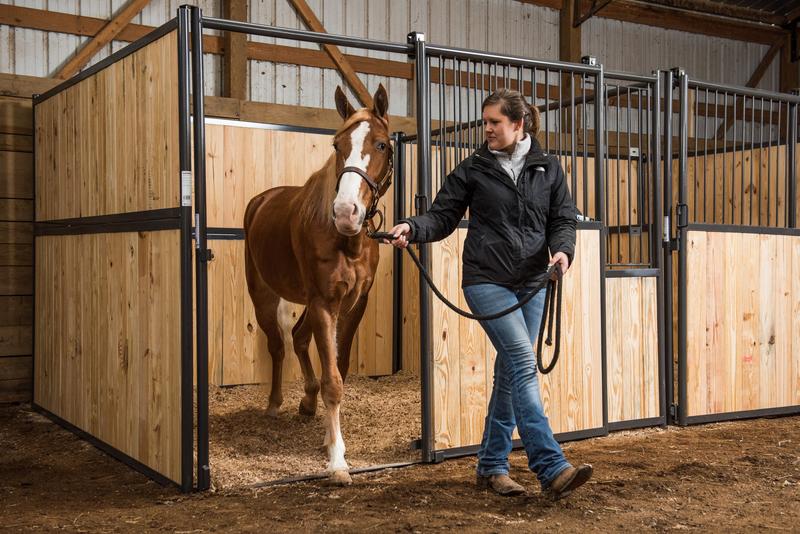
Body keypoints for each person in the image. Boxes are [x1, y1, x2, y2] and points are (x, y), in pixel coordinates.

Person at [387, 89, 592, 500]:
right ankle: (550, 465)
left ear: (519, 125)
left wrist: (562, 251)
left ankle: (492, 466)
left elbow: (562, 218)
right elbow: (443, 215)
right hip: (486, 280)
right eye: (485, 122)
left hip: (534, 282)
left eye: (494, 123)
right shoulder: (475, 167)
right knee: (520, 359)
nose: (487, 130)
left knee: (509, 375)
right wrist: (412, 226)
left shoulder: (548, 168)